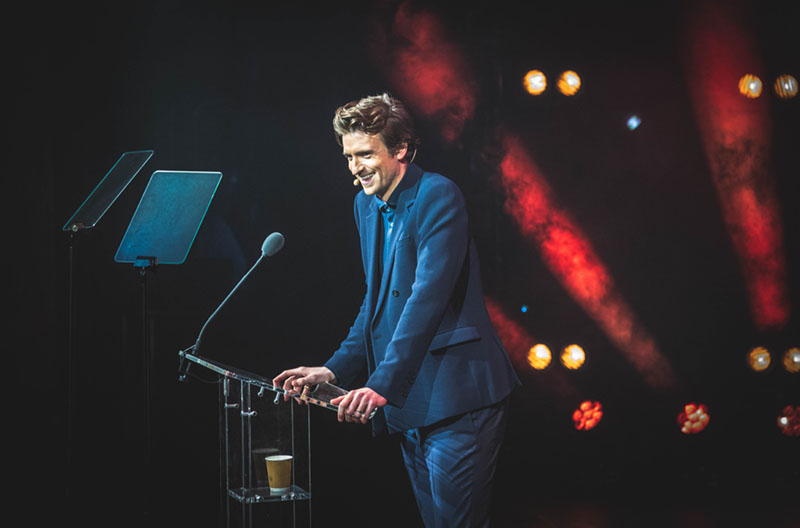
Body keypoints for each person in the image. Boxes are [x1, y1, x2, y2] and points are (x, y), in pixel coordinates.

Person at [273, 93, 520, 527]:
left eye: (365, 154)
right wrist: (334, 370)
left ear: (401, 149)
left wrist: (380, 383)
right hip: (410, 402)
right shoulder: (366, 206)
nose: (355, 167)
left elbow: (427, 298)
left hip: (458, 397)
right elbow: (376, 302)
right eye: (349, 156)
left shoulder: (437, 195)